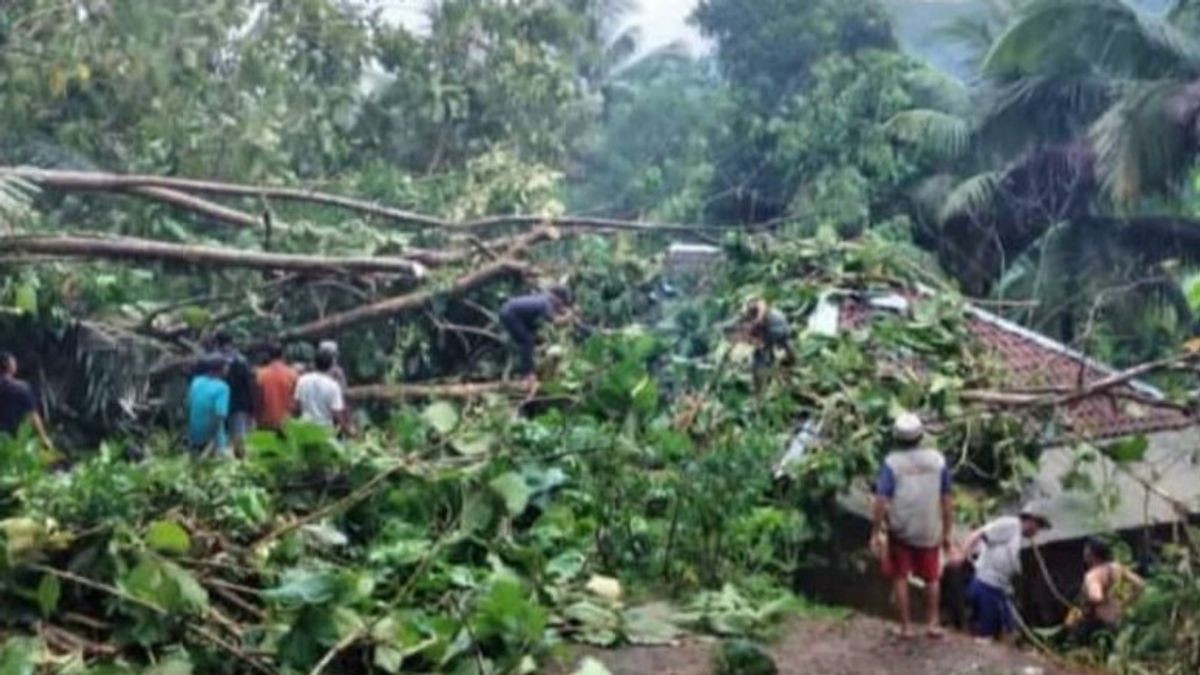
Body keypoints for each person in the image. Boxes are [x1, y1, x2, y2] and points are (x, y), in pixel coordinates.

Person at [871, 412, 953, 639]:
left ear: (896, 438)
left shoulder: (892, 463)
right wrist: (946, 532)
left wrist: (876, 530)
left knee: (899, 577)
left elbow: (881, 500)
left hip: (901, 530)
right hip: (929, 529)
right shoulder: (938, 460)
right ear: (921, 436)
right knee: (932, 577)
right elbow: (946, 499)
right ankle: (932, 623)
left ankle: (906, 627)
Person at [952, 504, 1053, 640]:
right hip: (986, 585)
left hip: (1000, 589)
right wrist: (963, 554)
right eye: (1038, 526)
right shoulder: (1010, 525)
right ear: (1031, 521)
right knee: (985, 636)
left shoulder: (1019, 539)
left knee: (1008, 632)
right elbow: (978, 534)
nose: (1037, 531)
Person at [499, 286, 575, 386]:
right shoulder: (545, 303)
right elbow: (555, 321)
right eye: (561, 302)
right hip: (510, 314)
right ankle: (528, 375)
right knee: (527, 340)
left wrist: (566, 313)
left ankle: (524, 364)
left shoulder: (544, 298)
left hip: (514, 313)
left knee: (535, 335)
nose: (560, 306)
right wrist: (567, 317)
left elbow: (554, 312)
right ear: (556, 298)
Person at [1075, 538, 1145, 643]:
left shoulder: (1093, 576)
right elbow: (1140, 584)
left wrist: (1085, 605)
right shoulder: (1116, 567)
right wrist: (1127, 601)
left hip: (1100, 624)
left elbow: (1096, 597)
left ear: (1092, 555)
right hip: (1119, 617)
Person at [0, 351, 54, 453]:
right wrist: (43, 438)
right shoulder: (21, 388)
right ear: (10, 366)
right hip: (11, 439)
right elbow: (33, 415)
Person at [213, 332, 256, 457]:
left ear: (217, 343)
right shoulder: (241, 360)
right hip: (239, 404)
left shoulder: (214, 361)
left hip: (219, 404)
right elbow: (249, 384)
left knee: (221, 437)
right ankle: (240, 463)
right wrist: (251, 407)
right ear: (231, 343)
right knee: (239, 436)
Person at [295, 349, 350, 434]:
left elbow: (297, 405)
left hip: (305, 429)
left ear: (314, 363)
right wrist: (347, 430)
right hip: (324, 431)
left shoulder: (302, 380)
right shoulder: (333, 386)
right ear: (331, 365)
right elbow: (337, 413)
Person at [187, 354, 231, 456]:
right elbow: (220, 415)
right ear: (220, 369)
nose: (227, 368)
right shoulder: (222, 388)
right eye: (226, 366)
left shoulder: (196, 382)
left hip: (194, 435)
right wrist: (213, 440)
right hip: (213, 438)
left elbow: (189, 406)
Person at [739, 299, 796, 371]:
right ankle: (791, 361)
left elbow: (761, 307)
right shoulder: (759, 312)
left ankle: (765, 368)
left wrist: (757, 322)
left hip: (776, 327)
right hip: (781, 325)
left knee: (762, 351)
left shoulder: (758, 308)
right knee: (785, 343)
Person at [255, 342, 298, 432]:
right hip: (287, 422)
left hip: (266, 421)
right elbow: (296, 400)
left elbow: (257, 399)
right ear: (283, 355)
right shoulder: (292, 374)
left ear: (268, 356)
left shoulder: (260, 374)